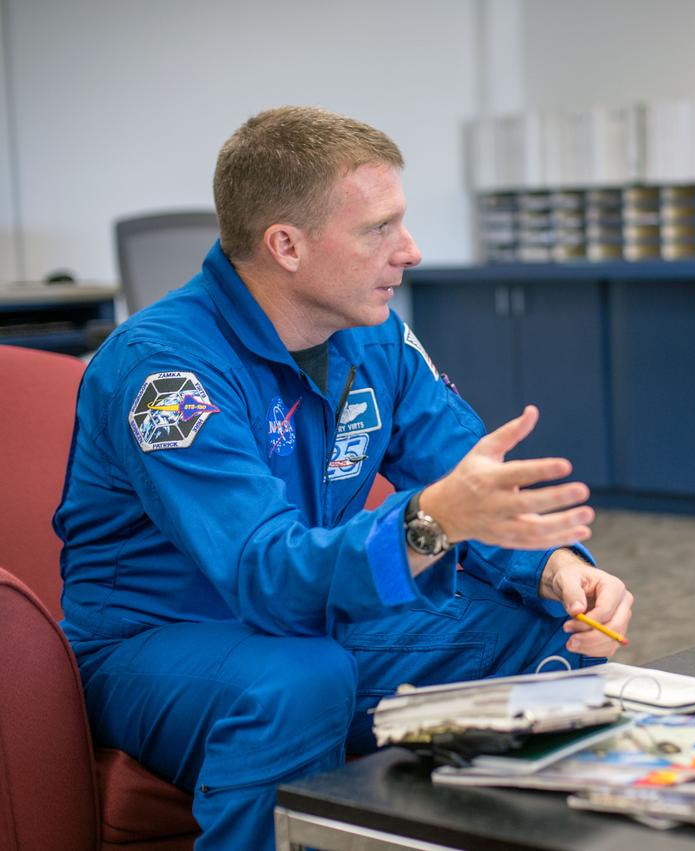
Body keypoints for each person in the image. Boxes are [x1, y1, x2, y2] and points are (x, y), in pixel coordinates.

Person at [55, 106, 633, 849]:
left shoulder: (372, 332)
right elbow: (262, 571)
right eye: (378, 230)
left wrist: (553, 565)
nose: (411, 251)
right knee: (297, 678)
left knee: (545, 625)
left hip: (316, 612)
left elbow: (467, 472)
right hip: (157, 641)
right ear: (286, 245)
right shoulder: (165, 373)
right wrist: (430, 522)